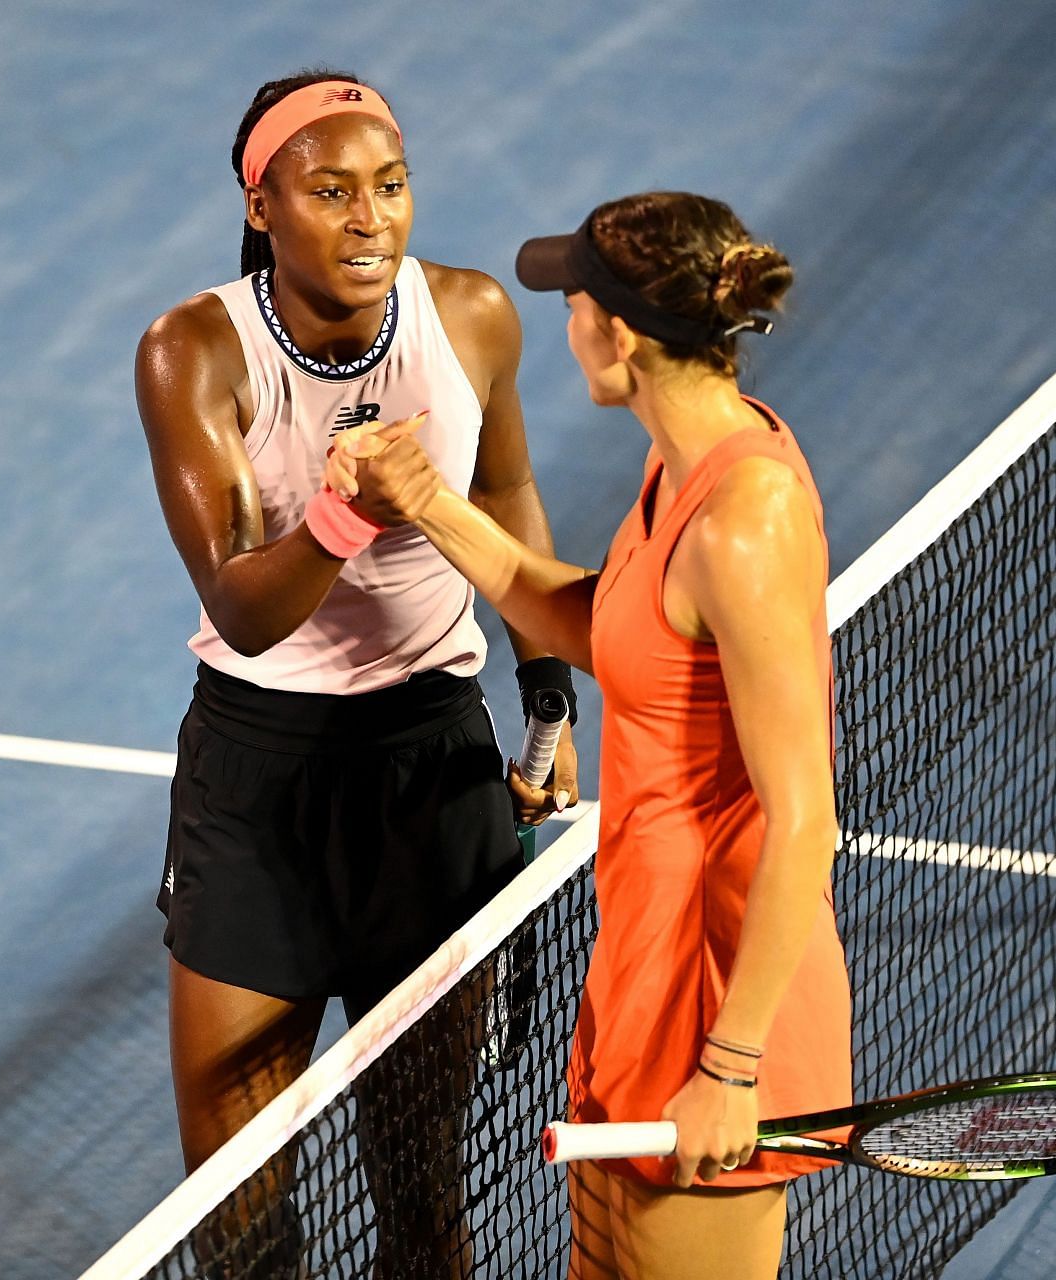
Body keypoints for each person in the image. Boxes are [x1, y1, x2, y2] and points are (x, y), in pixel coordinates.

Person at [329, 191, 851, 1279]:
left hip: (717, 989)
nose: (562, 323)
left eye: (571, 302)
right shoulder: (676, 468)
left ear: (616, 333)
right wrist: (422, 495)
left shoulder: (744, 520)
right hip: (642, 960)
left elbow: (805, 820)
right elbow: (596, 616)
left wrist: (735, 1064)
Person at [133, 69, 579, 1274]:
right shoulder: (193, 353)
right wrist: (344, 513)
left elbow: (505, 496)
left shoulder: (476, 315)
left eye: (391, 186)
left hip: (433, 778)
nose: (371, 217)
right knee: (237, 1216)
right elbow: (242, 605)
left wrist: (545, 692)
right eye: (331, 191)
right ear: (263, 204)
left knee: (427, 1200)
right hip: (256, 785)